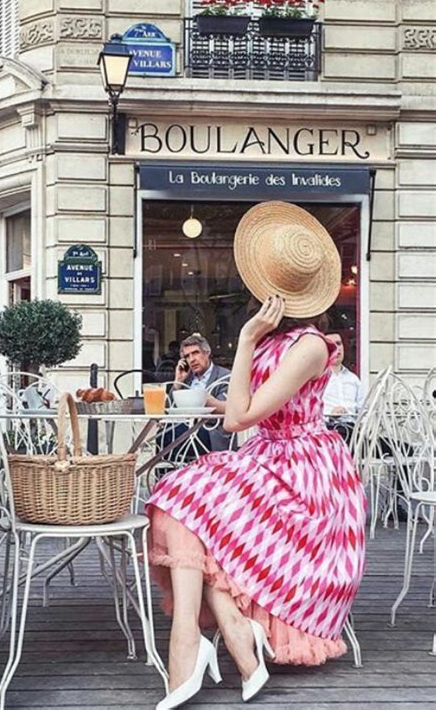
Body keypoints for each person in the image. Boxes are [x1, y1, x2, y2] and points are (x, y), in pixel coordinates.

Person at [146, 201, 366, 710]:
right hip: (268, 458)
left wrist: (244, 340)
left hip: (305, 480)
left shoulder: (310, 345)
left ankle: (203, 644)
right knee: (177, 497)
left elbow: (237, 421)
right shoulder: (278, 339)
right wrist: (233, 394)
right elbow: (246, 409)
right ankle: (206, 637)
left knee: (185, 496)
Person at [167, 334, 231, 455]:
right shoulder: (186, 378)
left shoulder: (225, 376)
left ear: (207, 353)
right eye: (187, 356)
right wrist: (177, 382)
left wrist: (201, 399)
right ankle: (165, 472)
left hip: (210, 429)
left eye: (195, 353)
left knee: (174, 434)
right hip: (185, 427)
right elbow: (169, 408)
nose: (191, 359)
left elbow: (226, 409)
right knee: (165, 434)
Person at [323, 333, 364, 442]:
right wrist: (330, 415)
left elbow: (362, 409)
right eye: (331, 345)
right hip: (328, 429)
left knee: (404, 448)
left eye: (339, 344)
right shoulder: (317, 378)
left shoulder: (353, 379)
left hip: (352, 430)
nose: (337, 348)